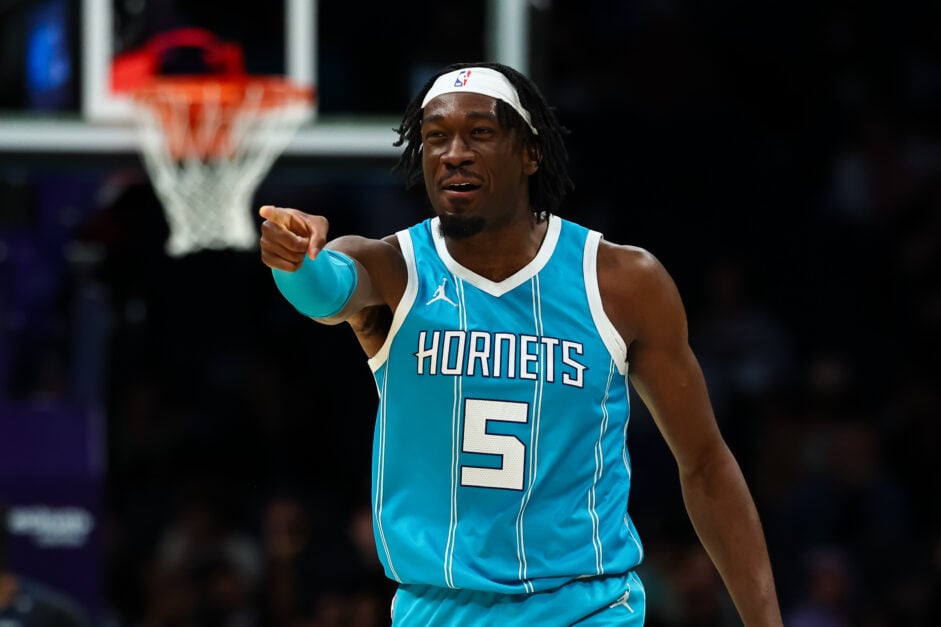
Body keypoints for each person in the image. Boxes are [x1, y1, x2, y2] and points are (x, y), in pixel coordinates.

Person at [258, 61, 783, 625]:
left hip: (587, 609)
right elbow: (323, 291)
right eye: (436, 137)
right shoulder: (394, 269)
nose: (453, 152)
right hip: (437, 609)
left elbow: (705, 463)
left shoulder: (622, 282)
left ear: (530, 152)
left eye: (479, 133)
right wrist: (295, 255)